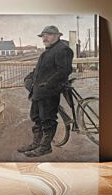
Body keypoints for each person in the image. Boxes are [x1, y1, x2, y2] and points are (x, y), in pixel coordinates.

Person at [17, 25, 73, 157]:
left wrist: (48, 85)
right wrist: (28, 78)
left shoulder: (63, 50)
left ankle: (45, 147)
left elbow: (64, 71)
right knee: (36, 117)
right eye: (43, 35)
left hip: (49, 92)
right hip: (38, 92)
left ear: (58, 36)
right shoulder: (47, 52)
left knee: (47, 119)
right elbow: (38, 71)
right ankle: (36, 143)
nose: (44, 38)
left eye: (48, 34)